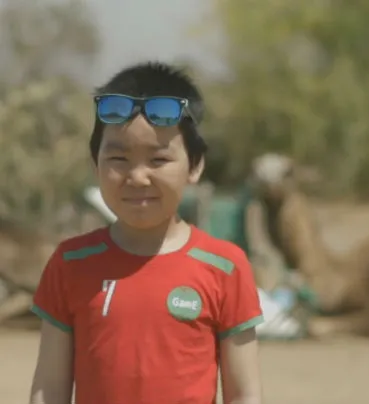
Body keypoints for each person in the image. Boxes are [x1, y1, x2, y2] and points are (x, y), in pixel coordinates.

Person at [28, 61, 264, 404]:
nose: (137, 177)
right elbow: (48, 389)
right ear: (95, 164)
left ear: (195, 165)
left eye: (158, 160)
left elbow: (244, 394)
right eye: (118, 159)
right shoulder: (70, 263)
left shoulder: (225, 266)